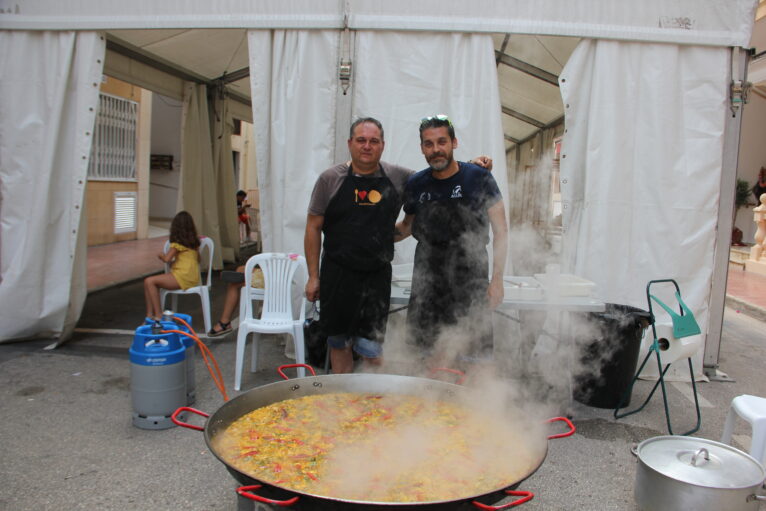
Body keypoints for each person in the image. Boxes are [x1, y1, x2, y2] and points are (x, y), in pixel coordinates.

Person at [304, 117, 492, 374]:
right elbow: (313, 227)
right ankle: (344, 406)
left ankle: (373, 402)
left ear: (383, 145)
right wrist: (313, 276)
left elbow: (439, 175)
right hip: (336, 274)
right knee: (339, 344)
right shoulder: (330, 179)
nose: (367, 146)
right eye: (361, 140)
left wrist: (471, 168)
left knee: (372, 349)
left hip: (376, 276)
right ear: (350, 144)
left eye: (373, 141)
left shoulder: (401, 177)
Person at [394, 115, 508, 368]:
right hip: (427, 282)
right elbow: (406, 228)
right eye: (429, 144)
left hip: (471, 280)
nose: (436, 149)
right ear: (422, 148)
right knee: (429, 358)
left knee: (475, 360)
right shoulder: (416, 183)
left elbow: (501, 232)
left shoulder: (478, 177)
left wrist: (497, 281)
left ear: (454, 142)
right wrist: (369, 233)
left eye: (442, 142)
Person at [143, 211, 201, 321]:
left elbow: (167, 259)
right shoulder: (194, 243)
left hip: (182, 276)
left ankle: (157, 314)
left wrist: (161, 255)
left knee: (149, 281)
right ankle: (149, 315)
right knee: (148, 282)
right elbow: (198, 260)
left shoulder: (177, 244)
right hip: (192, 277)